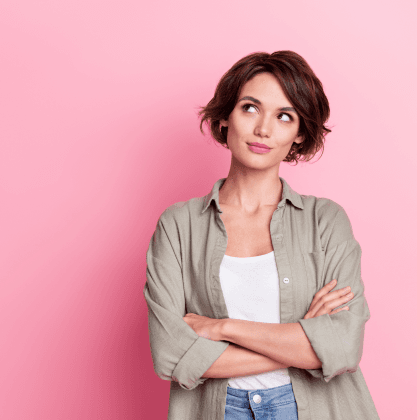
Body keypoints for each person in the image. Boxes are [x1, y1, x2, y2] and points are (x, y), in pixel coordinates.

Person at [143, 50, 379, 420]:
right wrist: (303, 341)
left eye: (284, 116)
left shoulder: (325, 221)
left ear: (299, 134)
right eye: (250, 108)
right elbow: (171, 355)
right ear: (225, 117)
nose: (263, 129)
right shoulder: (179, 225)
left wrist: (221, 328)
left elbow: (344, 348)